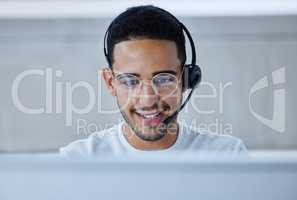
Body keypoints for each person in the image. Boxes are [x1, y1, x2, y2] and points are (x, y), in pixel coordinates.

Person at [60, 5, 247, 157]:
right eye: (131, 81)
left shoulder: (227, 155)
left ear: (186, 79)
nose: (148, 100)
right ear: (110, 83)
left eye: (164, 79)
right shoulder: (77, 160)